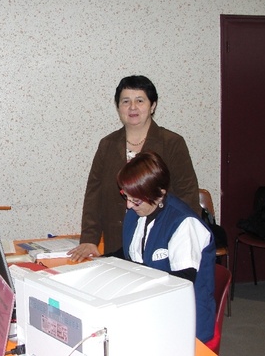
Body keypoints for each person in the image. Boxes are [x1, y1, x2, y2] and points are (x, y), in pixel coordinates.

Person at [69, 75, 201, 262]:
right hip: (117, 240)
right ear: (118, 107)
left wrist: (183, 236)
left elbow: (188, 194)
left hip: (161, 241)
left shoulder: (172, 143)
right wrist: (90, 239)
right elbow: (94, 194)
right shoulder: (107, 144)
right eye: (126, 101)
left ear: (152, 105)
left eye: (140, 100)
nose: (132, 107)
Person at [117, 151, 215, 343]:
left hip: (186, 320)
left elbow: (182, 283)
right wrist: (103, 260)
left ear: (160, 194)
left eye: (135, 199)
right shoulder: (136, 214)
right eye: (125, 196)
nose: (128, 205)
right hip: (153, 309)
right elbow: (132, 255)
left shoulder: (184, 223)